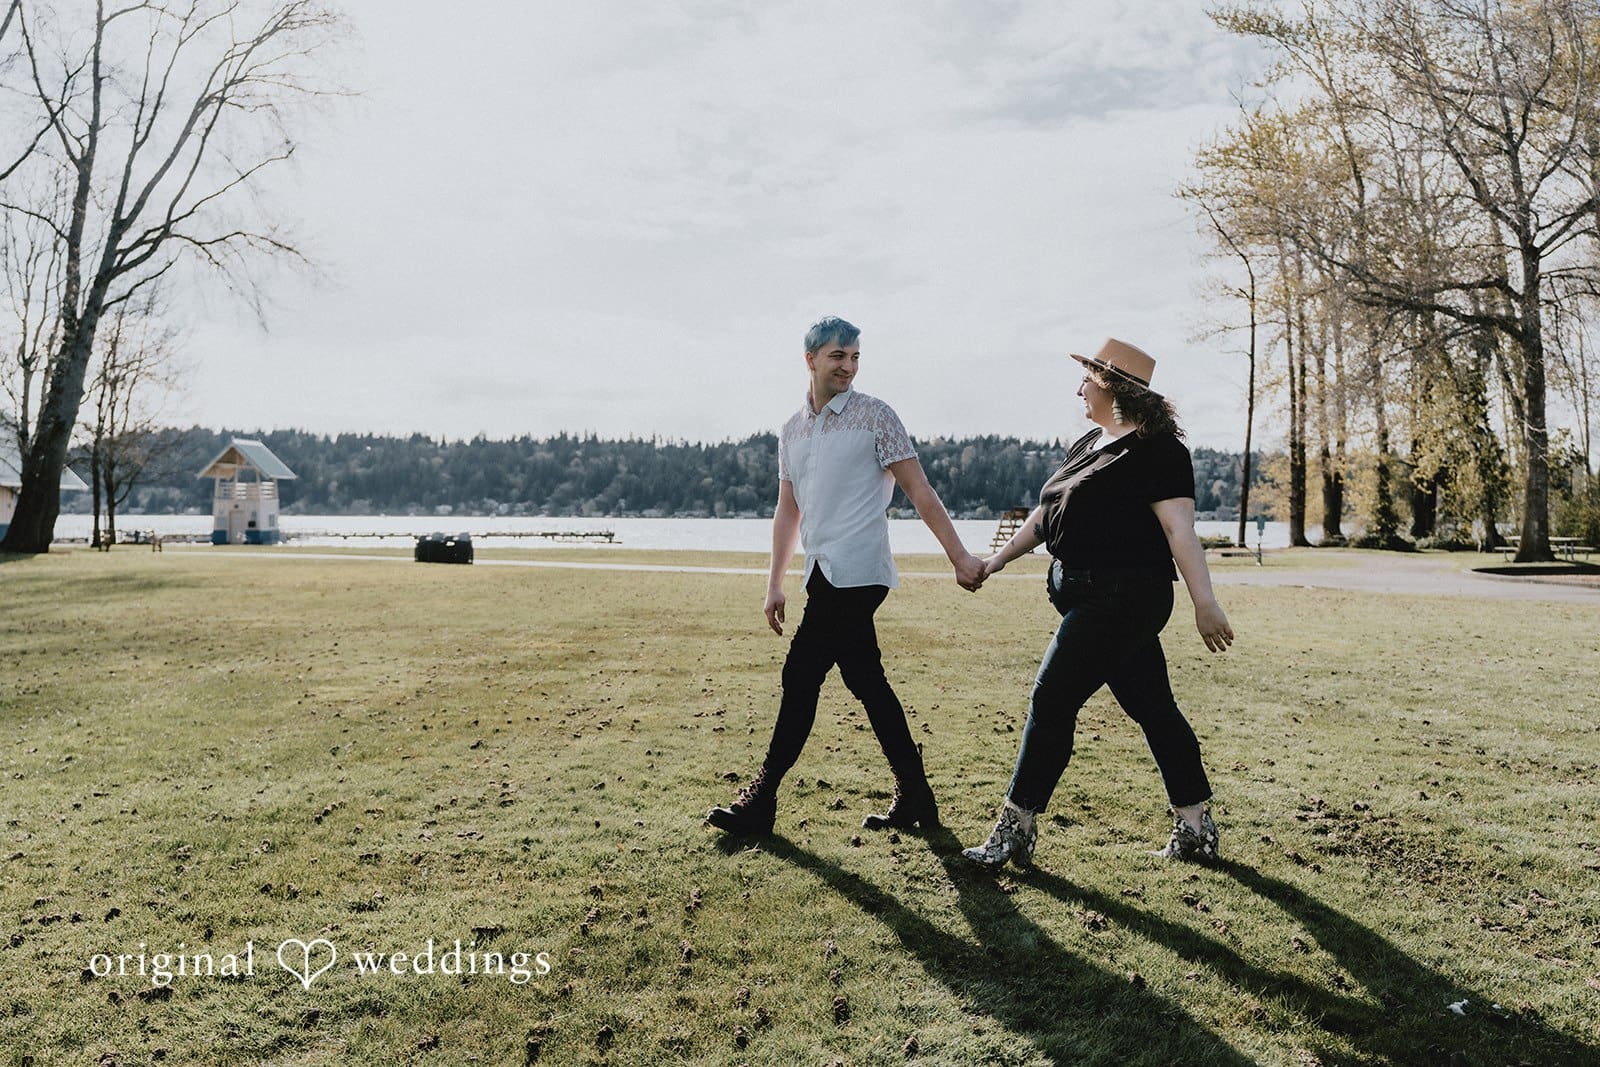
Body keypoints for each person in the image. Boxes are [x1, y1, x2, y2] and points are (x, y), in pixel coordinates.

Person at [707, 316, 987, 837]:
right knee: (866, 680)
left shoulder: (876, 417)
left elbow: (920, 491)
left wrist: (959, 556)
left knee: (800, 674)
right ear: (810, 359)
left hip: (860, 571)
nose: (849, 366)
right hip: (821, 572)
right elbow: (788, 511)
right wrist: (774, 582)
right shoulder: (792, 429)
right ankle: (917, 797)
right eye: (838, 356)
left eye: (855, 356)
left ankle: (761, 802)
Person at [962, 338, 1234, 868]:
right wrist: (996, 561)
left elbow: (1180, 531)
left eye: (1087, 378)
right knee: (1153, 708)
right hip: (1085, 596)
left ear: (1111, 386)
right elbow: (1044, 517)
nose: (1079, 388)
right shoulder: (1089, 442)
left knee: (1051, 701)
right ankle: (1196, 826)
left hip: (1123, 599)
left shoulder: (1159, 451)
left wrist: (1206, 602)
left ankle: (1015, 826)